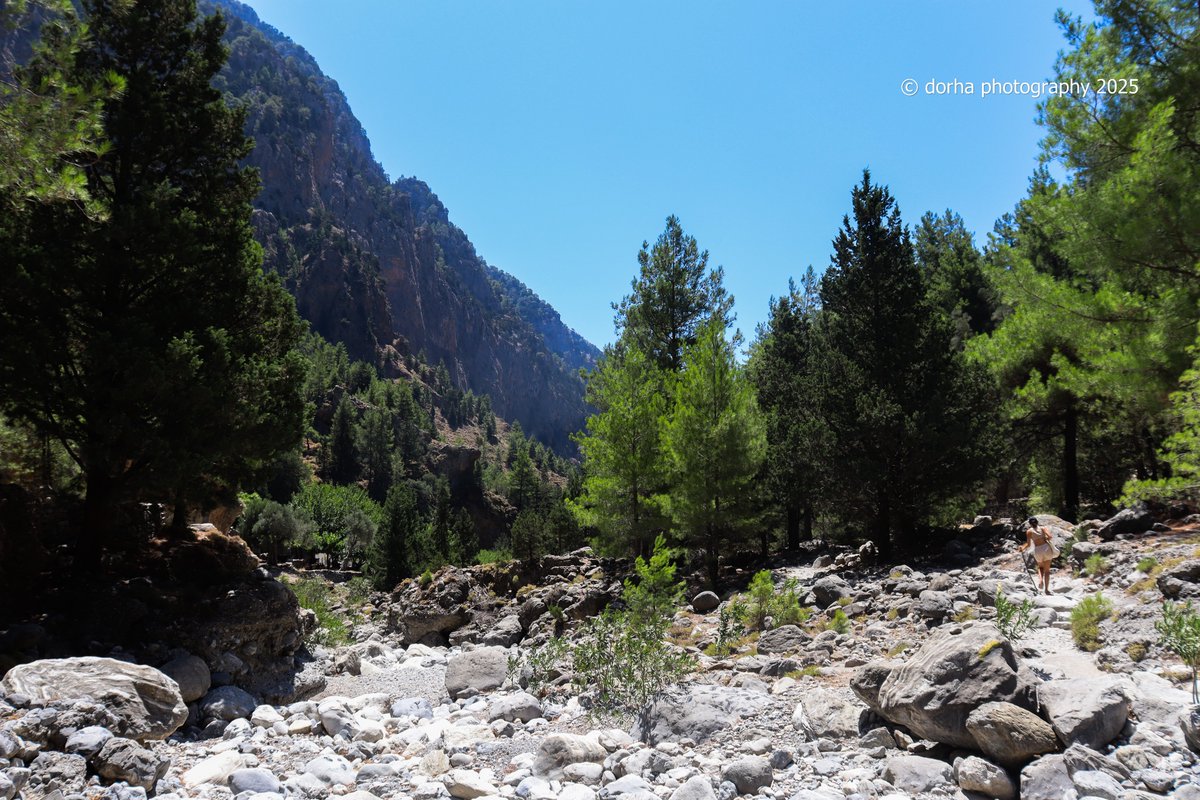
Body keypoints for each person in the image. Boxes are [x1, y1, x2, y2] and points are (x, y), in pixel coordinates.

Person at [1018, 517, 1058, 595]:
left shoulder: (1029, 531)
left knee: (1040, 567)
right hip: (1046, 548)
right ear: (1037, 522)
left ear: (1030, 524)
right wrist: (1045, 538)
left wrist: (1022, 548)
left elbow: (1029, 544)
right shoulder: (1043, 528)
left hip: (1038, 550)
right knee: (1047, 571)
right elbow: (1050, 536)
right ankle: (1046, 590)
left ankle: (1040, 580)